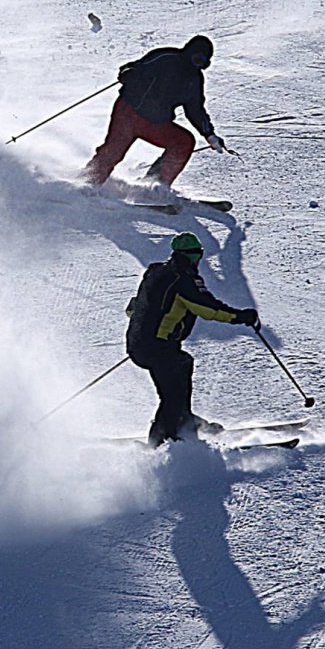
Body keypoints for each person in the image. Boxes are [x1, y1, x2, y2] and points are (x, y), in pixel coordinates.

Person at [125, 232, 258, 447]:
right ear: (193, 255)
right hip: (156, 347)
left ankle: (184, 421)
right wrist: (241, 316)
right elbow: (208, 309)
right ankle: (162, 442)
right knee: (172, 395)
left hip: (141, 342)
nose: (199, 259)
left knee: (182, 365)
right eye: (198, 255)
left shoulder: (155, 271)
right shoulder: (185, 280)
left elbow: (135, 307)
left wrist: (144, 334)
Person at [81, 35, 228, 187]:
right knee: (114, 150)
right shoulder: (165, 58)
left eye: (202, 62)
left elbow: (195, 109)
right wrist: (128, 72)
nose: (196, 65)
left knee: (183, 142)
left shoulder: (194, 80)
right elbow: (135, 66)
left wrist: (209, 134)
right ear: (188, 53)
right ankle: (88, 183)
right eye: (196, 58)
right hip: (129, 113)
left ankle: (154, 185)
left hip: (156, 124)